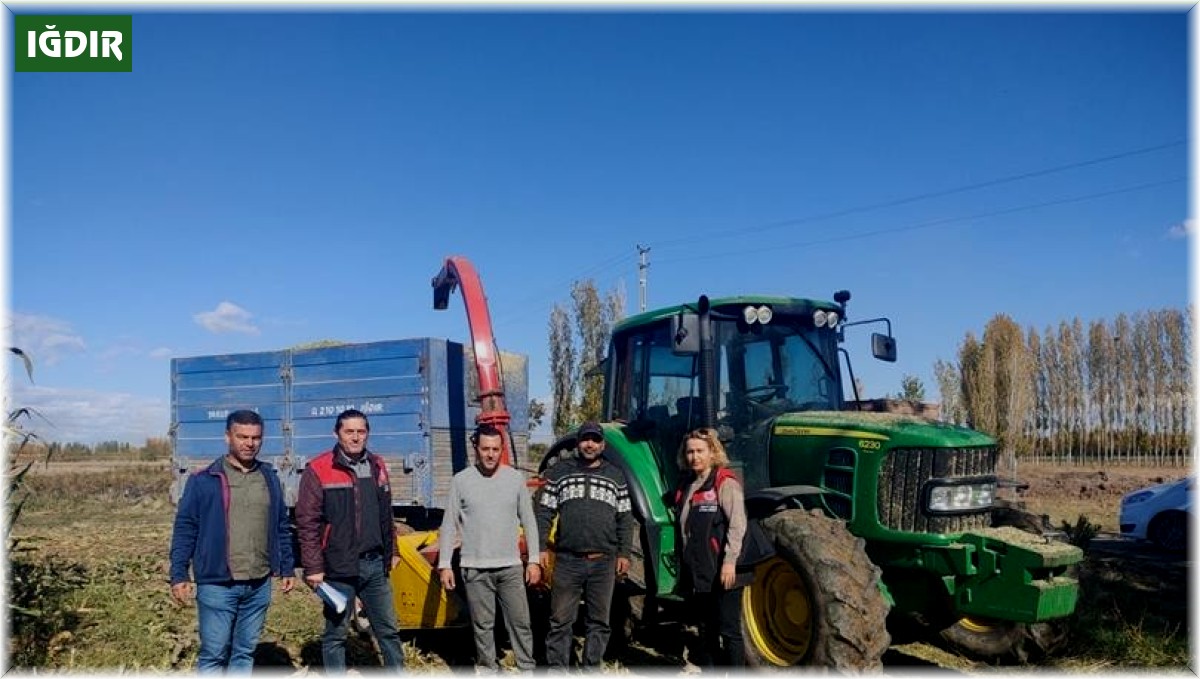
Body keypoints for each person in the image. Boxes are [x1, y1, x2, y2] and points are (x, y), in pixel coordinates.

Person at [169, 409, 296, 673]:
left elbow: (281, 525)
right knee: (214, 654)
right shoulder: (204, 480)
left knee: (244, 653)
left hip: (259, 583)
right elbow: (185, 528)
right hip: (217, 584)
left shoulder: (269, 477)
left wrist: (286, 566)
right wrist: (179, 573)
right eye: (242, 437)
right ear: (228, 437)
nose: (250, 443)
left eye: (256, 437)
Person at [295, 409, 406, 671]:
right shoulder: (319, 469)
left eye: (361, 431)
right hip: (338, 568)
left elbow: (385, 513)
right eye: (349, 432)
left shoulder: (377, 465)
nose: (356, 438)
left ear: (367, 433)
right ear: (337, 434)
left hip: (375, 565)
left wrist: (394, 549)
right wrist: (313, 567)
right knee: (336, 634)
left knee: (388, 630)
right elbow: (307, 522)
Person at [438, 424, 542, 672]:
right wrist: (444, 564)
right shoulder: (461, 480)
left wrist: (535, 559)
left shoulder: (515, 479)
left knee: (520, 623)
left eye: (495, 449)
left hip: (510, 568)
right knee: (482, 626)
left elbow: (529, 521)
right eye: (485, 449)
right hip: (475, 569)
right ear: (476, 448)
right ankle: (487, 669)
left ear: (502, 449)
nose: (490, 454)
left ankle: (527, 668)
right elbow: (449, 524)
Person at [536, 421, 634, 669]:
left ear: (602, 445)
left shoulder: (616, 475)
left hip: (604, 561)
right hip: (568, 561)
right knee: (560, 620)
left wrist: (624, 553)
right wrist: (538, 548)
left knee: (599, 622)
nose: (590, 444)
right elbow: (544, 512)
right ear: (578, 442)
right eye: (585, 439)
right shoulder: (560, 472)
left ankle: (591, 667)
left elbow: (624, 517)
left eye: (595, 440)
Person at [672, 428, 750, 668]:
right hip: (700, 568)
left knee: (729, 630)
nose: (694, 457)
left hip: (724, 568)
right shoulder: (688, 485)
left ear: (713, 452)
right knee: (707, 629)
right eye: (690, 452)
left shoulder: (724, 482)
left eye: (700, 451)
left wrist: (729, 561)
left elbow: (738, 524)